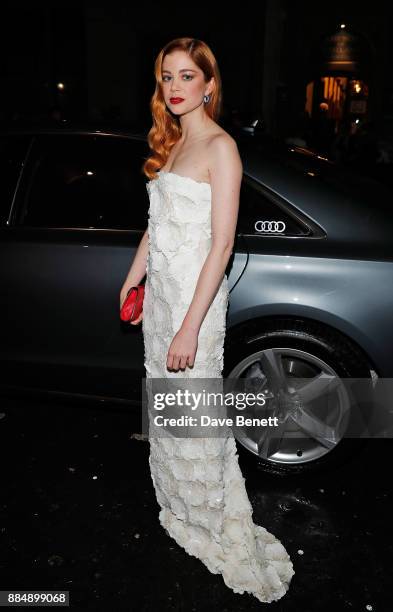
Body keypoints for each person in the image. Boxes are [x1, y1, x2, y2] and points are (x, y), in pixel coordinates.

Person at [120, 37, 295, 604]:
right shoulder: (170, 145)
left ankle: (210, 514)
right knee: (169, 407)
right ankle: (181, 505)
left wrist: (192, 326)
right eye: (167, 76)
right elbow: (156, 227)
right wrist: (134, 277)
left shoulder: (221, 148)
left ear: (209, 84)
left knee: (195, 410)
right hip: (163, 300)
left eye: (187, 76)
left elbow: (221, 247)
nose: (175, 87)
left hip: (195, 305)